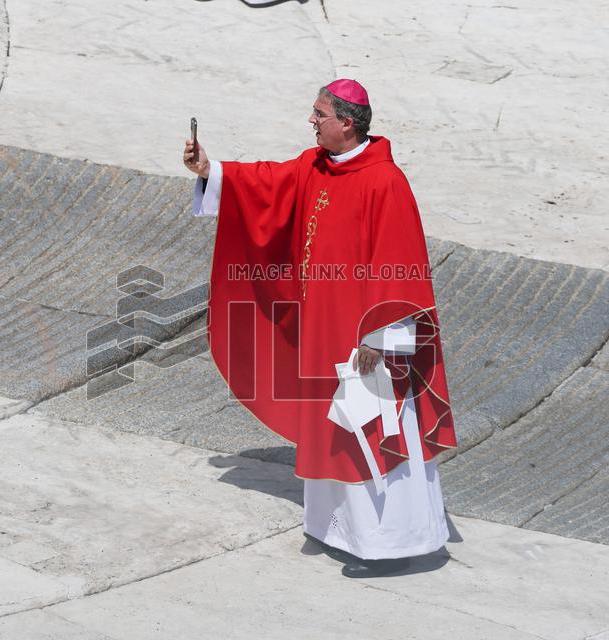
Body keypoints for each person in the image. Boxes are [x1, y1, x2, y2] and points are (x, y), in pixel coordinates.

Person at [182, 79, 457, 578]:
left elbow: (401, 264)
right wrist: (210, 170)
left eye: (319, 114)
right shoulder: (316, 166)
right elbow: (266, 183)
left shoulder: (385, 182)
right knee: (334, 426)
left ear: (347, 123)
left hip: (366, 337)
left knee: (373, 428)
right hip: (323, 326)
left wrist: (379, 338)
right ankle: (337, 530)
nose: (311, 120)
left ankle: (388, 545)